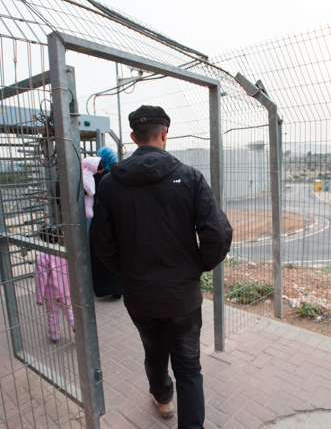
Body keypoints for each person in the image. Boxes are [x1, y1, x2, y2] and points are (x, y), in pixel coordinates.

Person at [93, 105, 232, 428]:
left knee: (153, 351)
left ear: (133, 137)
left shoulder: (110, 184)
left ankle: (163, 398)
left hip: (139, 294)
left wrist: (130, 271)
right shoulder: (190, 177)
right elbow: (218, 234)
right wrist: (196, 267)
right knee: (189, 366)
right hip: (182, 296)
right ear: (165, 133)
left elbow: (103, 245)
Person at [88, 146, 123, 298]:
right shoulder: (118, 177)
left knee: (99, 254)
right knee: (116, 253)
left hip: (97, 221)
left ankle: (101, 289)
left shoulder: (93, 177)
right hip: (116, 221)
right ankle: (117, 289)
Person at [34, 224, 74, 343]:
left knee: (52, 313)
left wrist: (39, 297)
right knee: (69, 310)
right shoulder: (65, 253)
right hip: (65, 290)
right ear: (60, 238)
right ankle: (75, 325)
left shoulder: (42, 258)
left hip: (50, 293)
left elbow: (40, 279)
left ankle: (54, 335)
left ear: (42, 239)